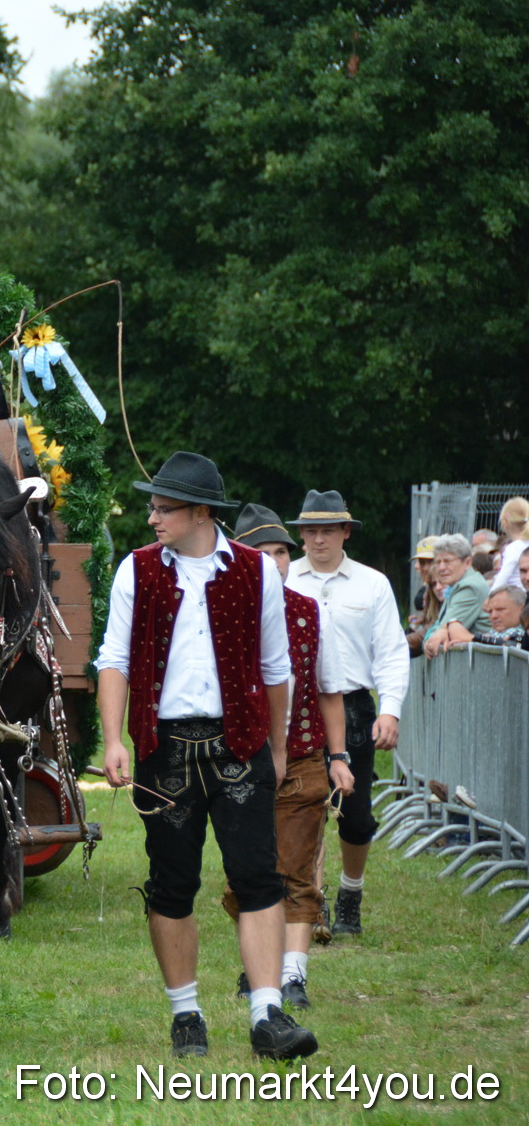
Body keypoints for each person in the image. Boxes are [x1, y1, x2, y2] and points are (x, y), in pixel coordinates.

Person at [97, 453, 313, 1060]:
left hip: (238, 741)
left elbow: (276, 668)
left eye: (163, 508)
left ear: (199, 513)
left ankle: (267, 1014)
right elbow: (112, 659)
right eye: (153, 506)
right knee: (172, 883)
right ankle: (185, 1013)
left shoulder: (256, 572)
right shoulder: (135, 570)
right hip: (164, 747)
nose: (152, 517)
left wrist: (275, 746)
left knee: (257, 877)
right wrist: (115, 739)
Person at [223, 504, 353, 1010]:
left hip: (300, 759)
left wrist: (337, 756)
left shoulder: (308, 611)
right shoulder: (221, 611)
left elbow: (330, 690)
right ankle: (259, 967)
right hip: (238, 761)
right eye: (262, 551)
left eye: (281, 551)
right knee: (250, 873)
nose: (275, 561)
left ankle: (293, 975)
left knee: (296, 870)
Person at [285, 490, 411, 938]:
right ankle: (309, 903)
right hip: (295, 706)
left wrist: (390, 711)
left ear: (345, 532)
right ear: (301, 534)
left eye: (328, 530)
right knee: (302, 806)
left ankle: (350, 894)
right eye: (311, 530)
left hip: (354, 705)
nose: (319, 539)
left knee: (355, 814)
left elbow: (393, 652)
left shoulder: (372, 583)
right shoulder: (283, 579)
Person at [421, 534, 488, 653]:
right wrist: (428, 640)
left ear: (467, 563)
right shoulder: (456, 584)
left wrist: (431, 639)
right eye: (437, 562)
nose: (441, 567)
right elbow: (439, 625)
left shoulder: (469, 587)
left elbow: (445, 628)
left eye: (447, 561)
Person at [431, 587, 527, 651]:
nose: (493, 616)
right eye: (490, 611)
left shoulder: (520, 634)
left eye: (500, 609)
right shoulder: (495, 633)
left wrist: (469, 639)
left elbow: (455, 629)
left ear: (522, 609)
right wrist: (444, 629)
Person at [490, 497, 529, 595]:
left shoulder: (513, 548)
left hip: (518, 597)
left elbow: (503, 578)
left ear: (505, 521)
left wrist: (489, 597)